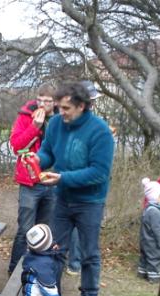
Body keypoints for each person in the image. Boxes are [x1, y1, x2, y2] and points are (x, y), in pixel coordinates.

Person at [37, 82, 115, 296]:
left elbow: (99, 172)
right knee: (55, 250)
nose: (61, 112)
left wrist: (63, 178)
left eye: (67, 108)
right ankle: (52, 295)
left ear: (82, 106)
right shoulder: (57, 124)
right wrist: (35, 160)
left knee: (89, 253)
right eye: (60, 108)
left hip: (90, 202)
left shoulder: (100, 131)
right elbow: (49, 153)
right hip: (63, 199)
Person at [7, 83, 57, 275]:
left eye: (48, 101)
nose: (43, 105)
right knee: (25, 229)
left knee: (44, 230)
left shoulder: (61, 119)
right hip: (30, 182)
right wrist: (35, 126)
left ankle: (37, 270)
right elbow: (16, 147)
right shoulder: (26, 115)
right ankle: (14, 271)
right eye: (40, 100)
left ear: (55, 102)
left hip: (53, 181)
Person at [65, 80, 104, 277]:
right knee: (70, 228)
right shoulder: (68, 124)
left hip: (91, 196)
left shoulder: (96, 127)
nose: (93, 105)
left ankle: (77, 264)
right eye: (91, 101)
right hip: (69, 190)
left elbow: (99, 170)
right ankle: (72, 262)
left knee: (90, 247)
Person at [138, 178, 160, 283]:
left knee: (145, 256)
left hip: (145, 239)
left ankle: (142, 272)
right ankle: (154, 277)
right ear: (155, 197)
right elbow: (157, 229)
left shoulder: (148, 209)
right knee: (154, 258)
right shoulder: (155, 212)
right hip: (152, 241)